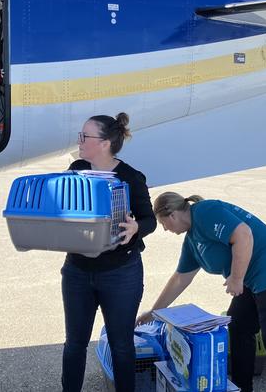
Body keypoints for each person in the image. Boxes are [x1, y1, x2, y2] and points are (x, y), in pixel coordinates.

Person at [137, 192, 266, 392]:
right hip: (253, 280)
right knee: (239, 325)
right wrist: (155, 312)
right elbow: (180, 278)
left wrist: (236, 278)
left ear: (172, 215)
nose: (165, 229)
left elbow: (243, 235)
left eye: (163, 224)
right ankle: (242, 387)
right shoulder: (192, 240)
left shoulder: (206, 211)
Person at [61, 113, 157, 392]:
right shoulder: (76, 169)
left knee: (122, 345)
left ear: (104, 143)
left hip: (121, 274)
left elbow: (148, 219)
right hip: (77, 270)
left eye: (84, 137)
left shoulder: (131, 177)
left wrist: (137, 226)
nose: (79, 141)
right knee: (74, 344)